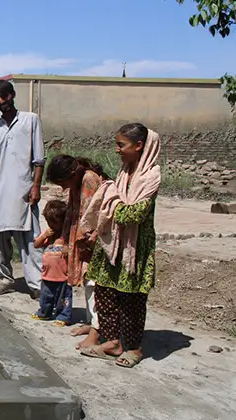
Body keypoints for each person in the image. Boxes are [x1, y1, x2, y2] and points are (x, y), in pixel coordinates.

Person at [78, 123, 161, 368]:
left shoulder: (151, 176)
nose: (117, 150)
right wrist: (111, 203)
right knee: (104, 292)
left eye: (121, 145)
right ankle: (113, 341)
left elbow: (133, 215)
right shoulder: (124, 173)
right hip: (112, 243)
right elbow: (115, 206)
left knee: (131, 299)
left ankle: (134, 348)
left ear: (139, 146)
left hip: (133, 248)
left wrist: (110, 203)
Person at [0, 80, 44, 297]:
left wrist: (36, 186)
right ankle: (5, 279)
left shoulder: (30, 120)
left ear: (12, 95)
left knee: (30, 240)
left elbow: (39, 160)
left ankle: (37, 285)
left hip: (24, 191)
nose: (1, 102)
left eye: (4, 97)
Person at [45, 154, 108, 348]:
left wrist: (83, 239)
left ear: (72, 174)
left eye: (63, 183)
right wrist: (66, 240)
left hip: (93, 240)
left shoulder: (89, 180)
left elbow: (91, 214)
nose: (64, 188)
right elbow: (72, 214)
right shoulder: (77, 183)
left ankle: (99, 330)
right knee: (88, 283)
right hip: (82, 240)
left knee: (94, 283)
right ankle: (91, 323)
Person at [30, 200, 73, 326]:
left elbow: (74, 249)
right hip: (47, 274)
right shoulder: (48, 234)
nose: (51, 226)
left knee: (64, 298)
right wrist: (44, 236)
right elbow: (36, 244)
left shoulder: (67, 237)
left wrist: (67, 246)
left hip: (63, 275)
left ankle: (64, 315)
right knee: (46, 296)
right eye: (49, 223)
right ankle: (45, 312)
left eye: (54, 223)